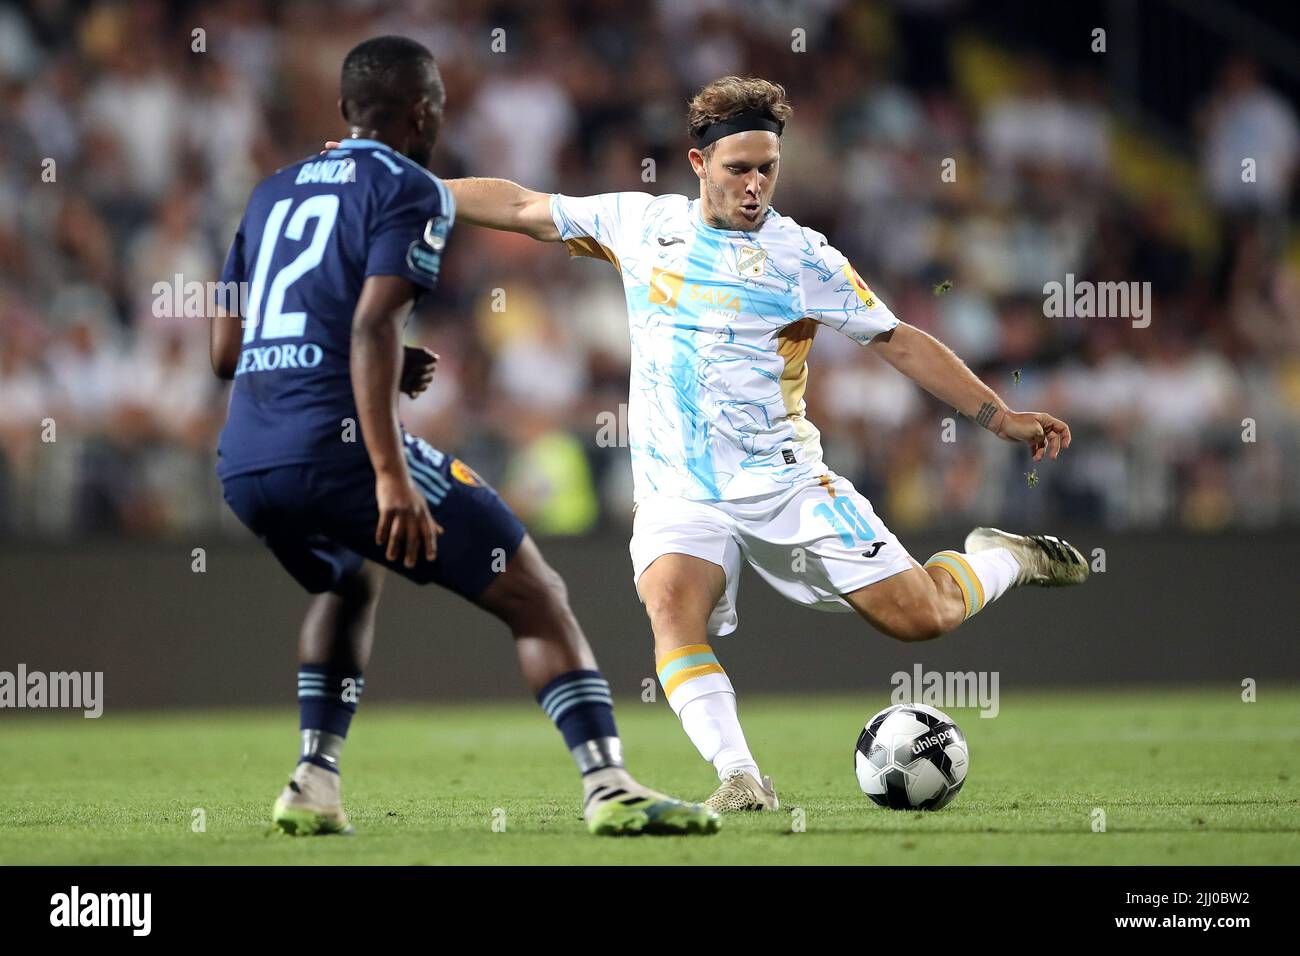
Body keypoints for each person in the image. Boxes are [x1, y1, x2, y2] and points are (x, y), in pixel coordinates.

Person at [409, 75, 1089, 811]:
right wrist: (414, 188)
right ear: (699, 165)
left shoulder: (804, 258)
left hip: (785, 484)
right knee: (671, 608)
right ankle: (740, 776)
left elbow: (899, 341)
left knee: (922, 617)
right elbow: (521, 206)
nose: (756, 183)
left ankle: (1002, 556)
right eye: (739, 168)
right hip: (678, 490)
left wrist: (999, 416)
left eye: (768, 167)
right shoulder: (640, 225)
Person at [211, 36, 718, 837]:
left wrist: (373, 357)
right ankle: (609, 785)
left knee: (350, 574)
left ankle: (312, 779)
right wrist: (388, 474)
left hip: (244, 460)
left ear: (345, 110)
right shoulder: (413, 188)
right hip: (336, 448)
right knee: (536, 594)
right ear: (423, 114)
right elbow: (374, 322)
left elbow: (224, 352)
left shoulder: (270, 191)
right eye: (441, 107)